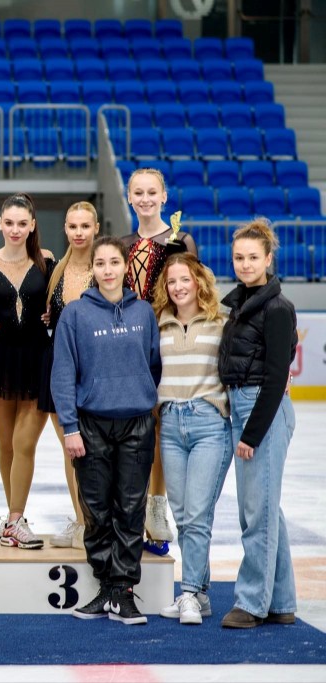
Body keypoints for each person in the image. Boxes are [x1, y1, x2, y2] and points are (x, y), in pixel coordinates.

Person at [51, 236, 161, 626]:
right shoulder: (76, 314)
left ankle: (124, 592)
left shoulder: (143, 312)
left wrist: (137, 395)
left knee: (130, 510)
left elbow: (153, 364)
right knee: (96, 511)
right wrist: (70, 427)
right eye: (101, 264)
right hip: (90, 424)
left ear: (125, 267)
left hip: (136, 424)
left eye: (115, 262)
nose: (108, 270)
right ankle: (105, 587)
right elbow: (63, 373)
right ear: (92, 269)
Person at [217, 220, 298, 629]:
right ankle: (281, 601)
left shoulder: (277, 308)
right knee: (266, 509)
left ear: (268, 259)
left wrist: (251, 434)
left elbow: (276, 376)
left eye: (253, 257)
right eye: (239, 257)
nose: (245, 264)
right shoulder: (241, 304)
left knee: (257, 513)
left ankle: (251, 603)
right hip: (243, 405)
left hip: (261, 411)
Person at [152, 253, 231, 626]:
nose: (178, 287)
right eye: (171, 281)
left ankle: (187, 593)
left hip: (208, 424)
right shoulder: (159, 322)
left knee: (197, 515)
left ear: (199, 281)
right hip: (170, 424)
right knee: (183, 516)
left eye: (185, 279)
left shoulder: (222, 321)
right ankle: (199, 594)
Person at [123, 167, 198, 553]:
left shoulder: (180, 240)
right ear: (129, 197)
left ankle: (156, 505)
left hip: (166, 344)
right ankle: (130, 508)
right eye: (138, 192)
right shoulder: (124, 244)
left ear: (164, 196)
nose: (146, 199)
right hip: (128, 347)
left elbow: (193, 293)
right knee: (131, 430)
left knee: (158, 428)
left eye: (152, 192)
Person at [0, 193, 54, 549]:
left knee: (25, 443)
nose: (15, 229)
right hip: (0, 358)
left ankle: (15, 519)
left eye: (22, 223)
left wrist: (52, 314)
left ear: (33, 225)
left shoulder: (48, 261)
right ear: (0, 224)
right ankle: (12, 519)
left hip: (38, 357)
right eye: (9, 223)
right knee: (6, 444)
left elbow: (61, 302)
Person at [42, 202, 99, 550]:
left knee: (96, 451)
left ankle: (96, 523)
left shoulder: (104, 268)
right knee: (71, 451)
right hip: (59, 367)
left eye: (85, 226)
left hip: (95, 369)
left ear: (96, 228)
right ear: (65, 228)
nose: (79, 233)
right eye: (73, 226)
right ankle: (81, 523)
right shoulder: (55, 270)